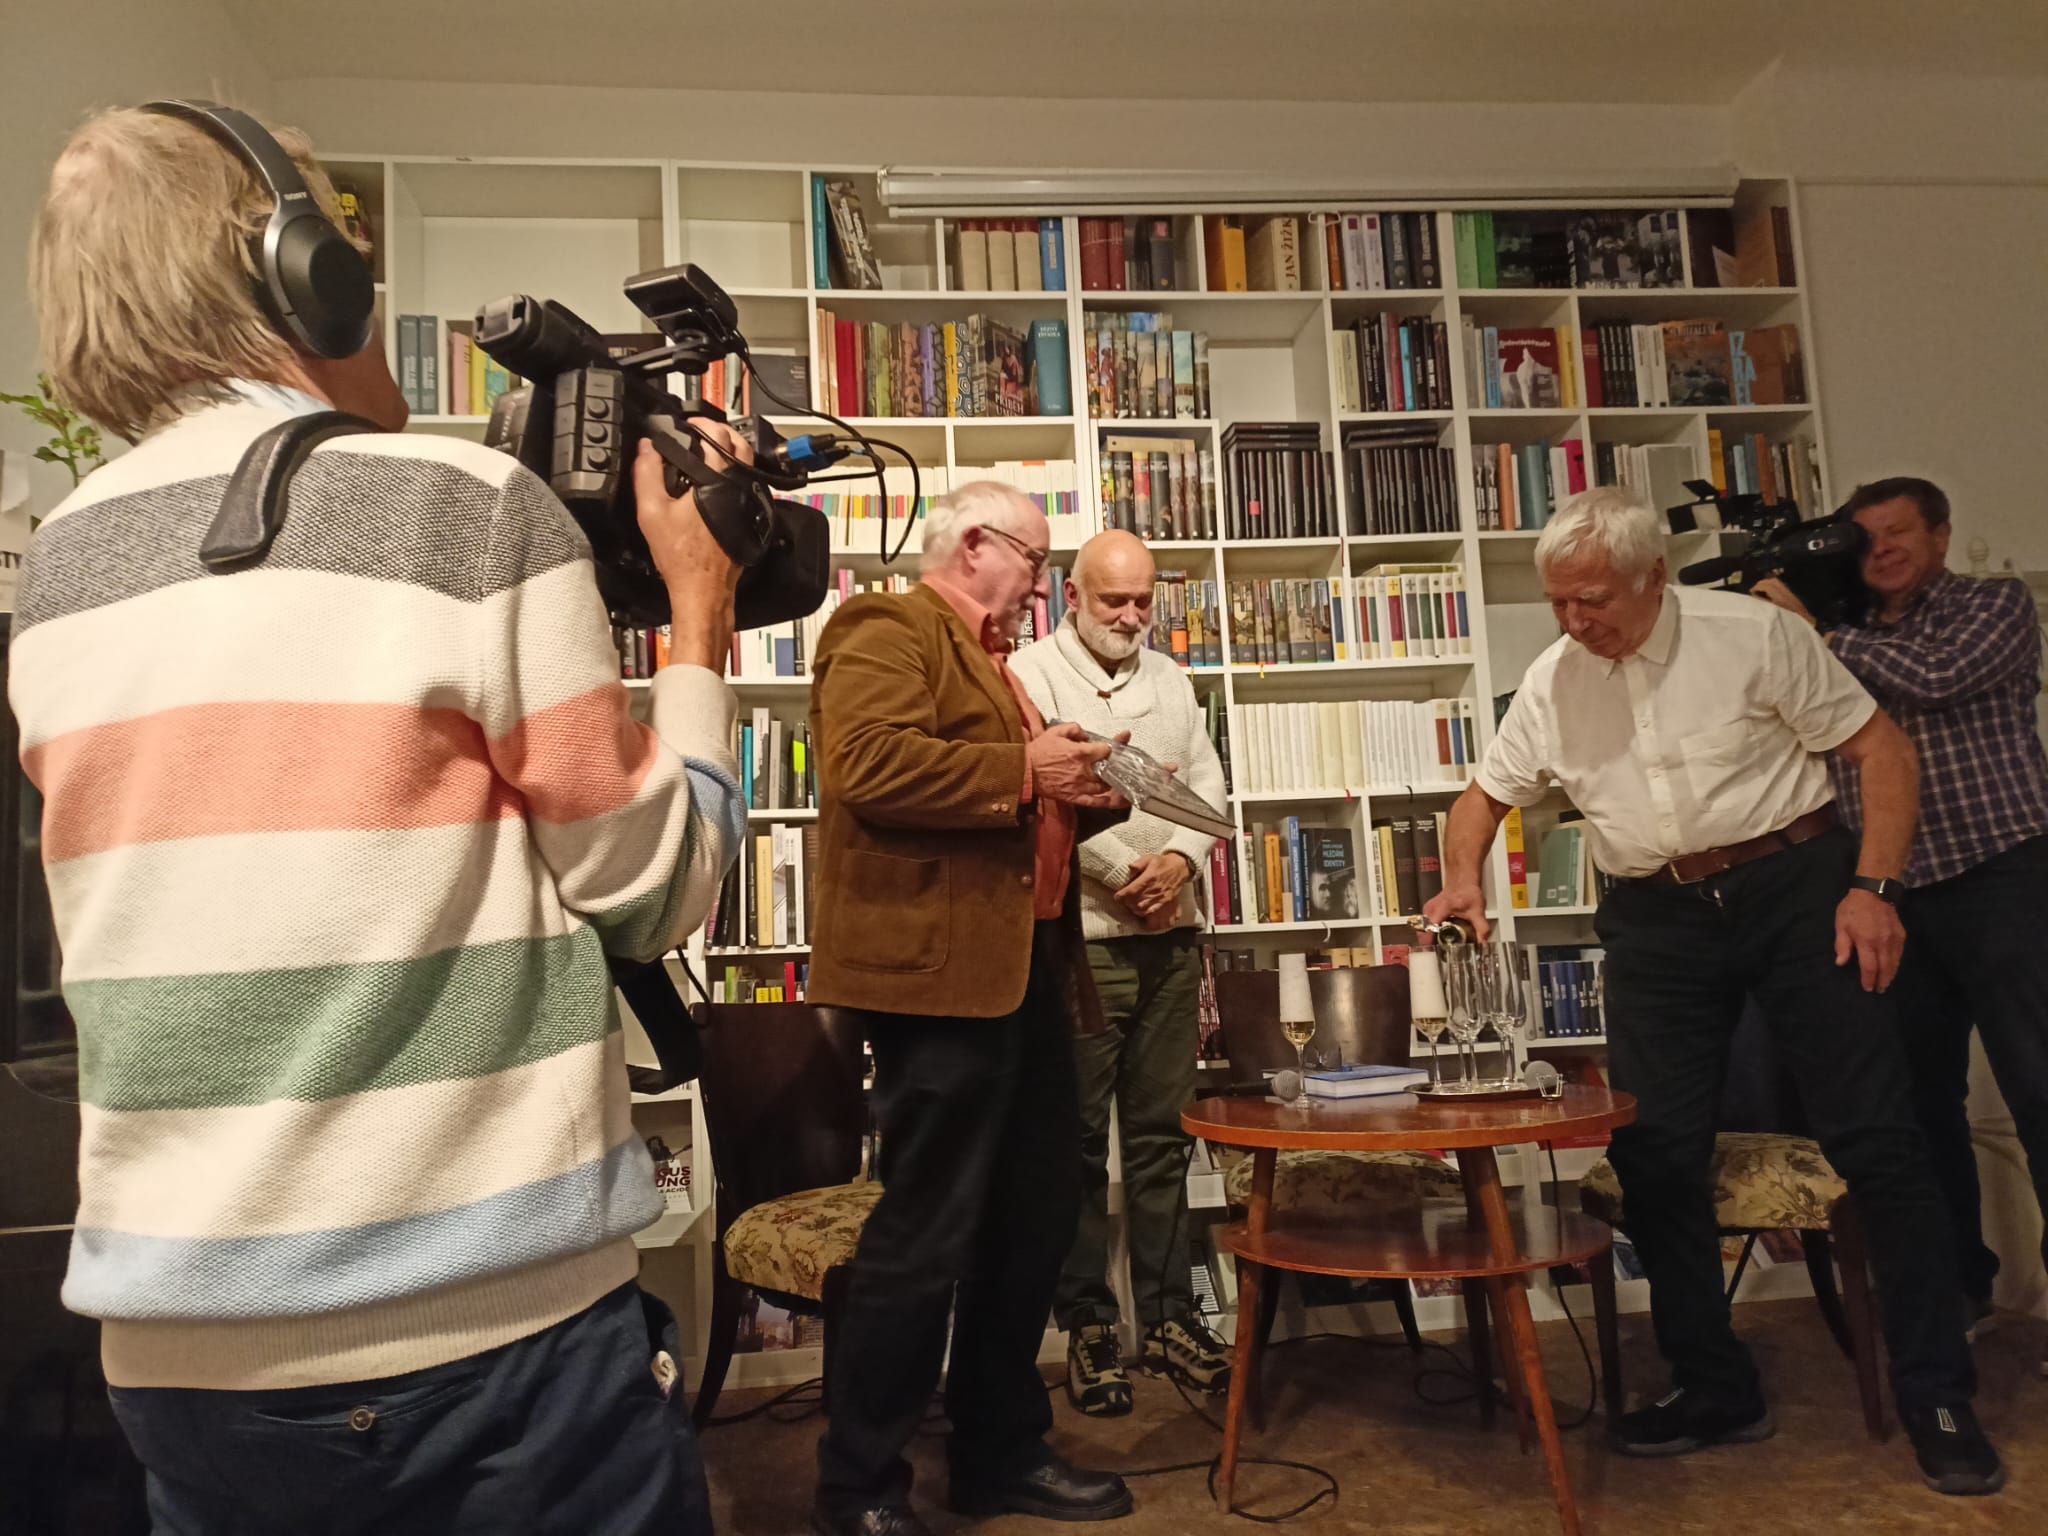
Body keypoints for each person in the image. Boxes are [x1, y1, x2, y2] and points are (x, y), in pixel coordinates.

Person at [14, 106, 750, 1534]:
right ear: (304, 275)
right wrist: (698, 626)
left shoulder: (62, 567)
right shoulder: (463, 509)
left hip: (176, 1360)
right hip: (485, 1341)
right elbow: (655, 886)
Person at [1422, 487, 2003, 1496]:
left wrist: (1873, 890)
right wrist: (1463, 877)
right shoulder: (1554, 680)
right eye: (1557, 602)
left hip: (1793, 888)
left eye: (1592, 599)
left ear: (1652, 576)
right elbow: (1481, 800)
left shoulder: (1752, 636)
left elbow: (1881, 751)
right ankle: (1713, 1384)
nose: (1572, 621)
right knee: (1653, 1152)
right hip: (1656, 920)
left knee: (1876, 1135)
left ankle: (1937, 1394)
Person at [806, 482, 1136, 1536]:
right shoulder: (886, 625)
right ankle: (858, 1486)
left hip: (1024, 973)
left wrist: (1080, 797)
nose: (1041, 580)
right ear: (977, 545)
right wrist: (1028, 767)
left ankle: (1000, 1454)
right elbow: (868, 767)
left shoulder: (997, 665)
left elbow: (995, 813)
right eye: (1035, 558)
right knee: (927, 1230)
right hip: (939, 984)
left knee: (1032, 1220)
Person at [1756, 477, 2048, 1347]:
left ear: (1941, 535)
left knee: (2040, 1089)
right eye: (1866, 537)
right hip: (1891, 893)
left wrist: (1814, 637)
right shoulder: (1842, 631)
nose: (1881, 550)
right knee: (1920, 1106)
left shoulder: (1993, 605)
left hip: (2001, 873)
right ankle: (1956, 1294)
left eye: (1899, 532)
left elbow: (1938, 677)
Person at [1009, 530, 1230, 1416]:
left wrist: (1177, 863)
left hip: (1172, 938)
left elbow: (1207, 789)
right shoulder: (1028, 675)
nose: (1132, 616)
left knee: (1162, 1136)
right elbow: (1042, 803)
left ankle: (1171, 1316)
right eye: (1114, 600)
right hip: (1082, 941)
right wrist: (1125, 875)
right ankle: (1089, 1325)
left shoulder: (1172, 680)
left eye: (1144, 600)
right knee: (1071, 1144)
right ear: (1072, 595)